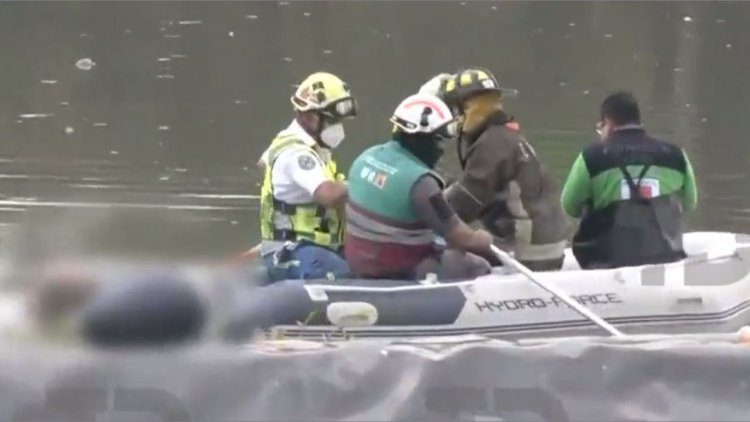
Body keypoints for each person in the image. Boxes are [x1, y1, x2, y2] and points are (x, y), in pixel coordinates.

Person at [425, 68, 569, 271]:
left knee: (442, 251)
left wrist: (422, 212)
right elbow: (473, 187)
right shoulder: (504, 136)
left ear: (467, 107)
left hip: (524, 254)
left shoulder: (491, 144)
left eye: (455, 110)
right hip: (545, 246)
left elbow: (464, 203)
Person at [344, 93, 494, 281]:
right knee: (476, 265)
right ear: (424, 138)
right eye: (438, 139)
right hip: (396, 270)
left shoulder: (367, 156)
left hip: (359, 261)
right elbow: (460, 237)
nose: (441, 148)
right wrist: (482, 239)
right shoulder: (422, 183)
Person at [560, 91, 697, 269]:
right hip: (664, 255)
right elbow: (689, 203)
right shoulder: (676, 155)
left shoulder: (591, 157)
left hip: (608, 261)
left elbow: (570, 207)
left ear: (607, 123)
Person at [258, 71, 356, 282]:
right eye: (333, 120)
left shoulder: (299, 143)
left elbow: (263, 164)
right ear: (309, 116)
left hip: (314, 246)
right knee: (348, 275)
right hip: (295, 251)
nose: (338, 127)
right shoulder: (297, 153)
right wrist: (366, 182)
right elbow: (327, 195)